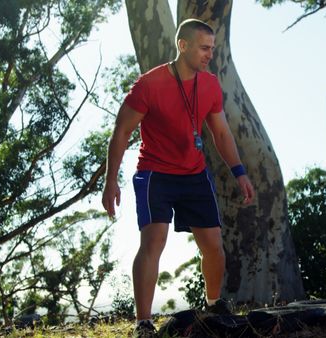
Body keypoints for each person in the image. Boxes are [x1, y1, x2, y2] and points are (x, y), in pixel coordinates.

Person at [101, 19, 255, 337]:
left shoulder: (210, 85)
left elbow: (222, 133)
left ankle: (213, 304)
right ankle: (143, 323)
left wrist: (239, 171)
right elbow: (122, 131)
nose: (209, 55)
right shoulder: (149, 85)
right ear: (182, 45)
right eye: (203, 48)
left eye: (212, 49)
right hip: (155, 174)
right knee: (154, 241)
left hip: (194, 174)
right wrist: (110, 180)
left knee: (213, 246)